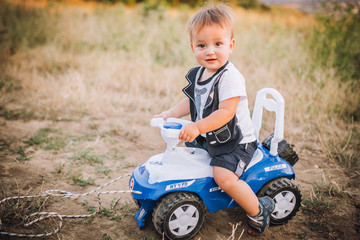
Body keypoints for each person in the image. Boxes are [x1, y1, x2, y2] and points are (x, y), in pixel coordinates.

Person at [154, 2, 274, 236]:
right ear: (193, 48)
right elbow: (192, 102)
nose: (210, 51)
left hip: (236, 143)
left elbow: (225, 113)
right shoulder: (199, 73)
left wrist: (197, 127)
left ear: (231, 45)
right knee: (186, 156)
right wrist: (169, 113)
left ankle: (259, 211)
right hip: (211, 137)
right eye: (202, 45)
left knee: (223, 177)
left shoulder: (230, 78)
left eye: (218, 44)